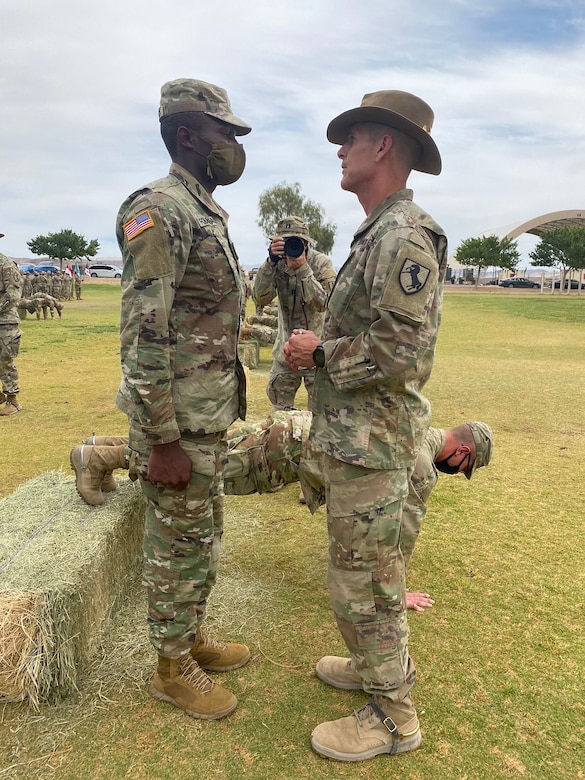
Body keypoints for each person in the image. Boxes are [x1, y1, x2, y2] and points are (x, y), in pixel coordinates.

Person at [283, 90, 447, 761]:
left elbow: (406, 351)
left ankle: (393, 717)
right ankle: (370, 672)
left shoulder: (402, 236)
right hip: (357, 438)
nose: (340, 150)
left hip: (374, 443)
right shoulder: (376, 232)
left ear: (383, 146)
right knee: (356, 575)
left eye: (350, 138)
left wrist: (317, 353)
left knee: (367, 582)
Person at [114, 78, 252, 721]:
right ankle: (170, 669)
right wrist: (161, 437)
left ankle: (191, 638)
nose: (232, 144)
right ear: (188, 135)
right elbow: (145, 328)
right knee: (174, 544)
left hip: (207, 411)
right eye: (224, 132)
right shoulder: (159, 208)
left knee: (202, 536)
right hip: (178, 422)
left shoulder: (203, 209)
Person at [253, 216, 336, 411]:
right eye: (286, 242)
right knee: (280, 415)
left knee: (322, 416)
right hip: (285, 352)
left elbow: (323, 303)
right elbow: (260, 297)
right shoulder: (275, 264)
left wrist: (303, 269)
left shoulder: (321, 264)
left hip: (316, 352)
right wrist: (270, 262)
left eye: (296, 242)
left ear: (306, 243)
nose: (292, 247)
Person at [0, 234, 23, 416]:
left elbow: (12, 297)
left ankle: (13, 401)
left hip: (5, 322)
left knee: (5, 361)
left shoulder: (7, 266)